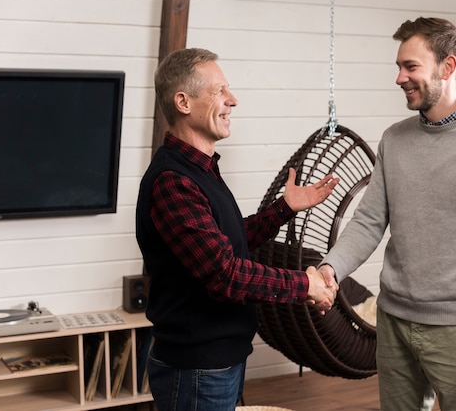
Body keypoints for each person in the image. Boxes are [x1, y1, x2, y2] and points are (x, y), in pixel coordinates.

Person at [318, 17, 456, 410]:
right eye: (399, 67)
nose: (400, 77)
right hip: (392, 322)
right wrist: (330, 268)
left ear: (448, 67)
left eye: (411, 66)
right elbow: (369, 221)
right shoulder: (394, 139)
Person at [135, 47, 340, 411]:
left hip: (217, 361)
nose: (233, 100)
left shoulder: (199, 170)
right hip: (198, 367)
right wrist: (305, 285)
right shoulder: (173, 181)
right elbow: (225, 274)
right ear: (183, 101)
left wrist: (284, 209)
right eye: (219, 91)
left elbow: (223, 246)